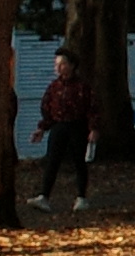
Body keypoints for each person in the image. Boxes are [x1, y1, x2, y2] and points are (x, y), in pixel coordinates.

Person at [30, 48, 102, 217]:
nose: (59, 68)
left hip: (78, 127)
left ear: (72, 66)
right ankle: (44, 196)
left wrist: (94, 128)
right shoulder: (54, 87)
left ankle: (81, 197)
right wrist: (42, 128)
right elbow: (47, 109)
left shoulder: (83, 87)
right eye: (57, 65)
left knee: (79, 162)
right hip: (58, 127)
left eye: (62, 64)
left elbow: (92, 109)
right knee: (52, 161)